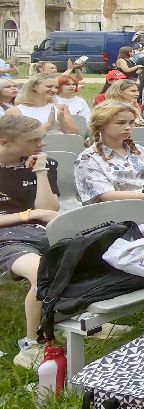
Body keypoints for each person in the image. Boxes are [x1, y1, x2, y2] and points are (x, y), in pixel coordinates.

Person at [0, 114, 60, 369]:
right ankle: (31, 344)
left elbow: (49, 209)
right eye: (34, 140)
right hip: (6, 238)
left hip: (40, 230)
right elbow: (38, 213)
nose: (42, 144)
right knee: (42, 272)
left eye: (43, 138)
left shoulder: (43, 162)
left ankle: (86, 322)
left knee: (83, 255)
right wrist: (28, 214)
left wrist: (41, 172)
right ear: (5, 141)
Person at [74, 102, 144, 223]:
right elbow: (106, 196)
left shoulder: (140, 150)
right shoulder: (88, 158)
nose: (128, 127)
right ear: (101, 125)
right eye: (121, 123)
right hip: (117, 212)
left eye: (131, 122)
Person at [6, 75, 79, 135]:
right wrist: (48, 125)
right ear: (34, 87)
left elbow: (75, 134)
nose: (54, 90)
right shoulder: (15, 111)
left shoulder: (60, 108)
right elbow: (17, 138)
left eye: (56, 87)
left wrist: (62, 120)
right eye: (49, 87)